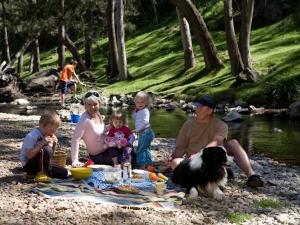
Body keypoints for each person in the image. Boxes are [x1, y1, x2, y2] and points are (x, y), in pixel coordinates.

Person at [166, 96, 264, 188]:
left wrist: (200, 153)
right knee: (175, 162)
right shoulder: (188, 125)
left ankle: (252, 176)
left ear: (210, 110)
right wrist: (171, 159)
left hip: (213, 161)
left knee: (233, 143)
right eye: (197, 106)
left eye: (200, 106)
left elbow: (217, 141)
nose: (196, 108)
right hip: (195, 163)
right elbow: (181, 148)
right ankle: (214, 176)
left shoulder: (221, 125)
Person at [20, 111, 68, 179]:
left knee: (64, 172)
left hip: (44, 165)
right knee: (46, 148)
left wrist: (54, 145)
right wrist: (42, 144)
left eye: (55, 130)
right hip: (30, 166)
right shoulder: (32, 136)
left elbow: (50, 156)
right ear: (42, 125)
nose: (53, 132)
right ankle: (40, 174)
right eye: (51, 130)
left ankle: (43, 173)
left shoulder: (48, 136)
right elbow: (29, 156)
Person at [71, 90, 112, 166]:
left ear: (99, 104)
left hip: (108, 149)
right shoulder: (85, 120)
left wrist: (111, 126)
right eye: (89, 104)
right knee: (127, 159)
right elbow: (75, 139)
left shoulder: (97, 114)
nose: (92, 107)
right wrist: (75, 160)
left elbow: (101, 130)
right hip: (98, 156)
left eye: (95, 104)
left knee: (129, 150)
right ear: (85, 106)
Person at [132, 91, 155, 169]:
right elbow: (135, 117)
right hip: (144, 133)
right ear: (135, 102)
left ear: (146, 103)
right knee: (146, 148)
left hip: (146, 132)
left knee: (140, 149)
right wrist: (135, 112)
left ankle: (141, 165)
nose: (140, 104)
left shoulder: (145, 111)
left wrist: (137, 130)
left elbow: (145, 122)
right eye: (138, 102)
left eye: (142, 102)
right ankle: (149, 164)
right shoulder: (139, 110)